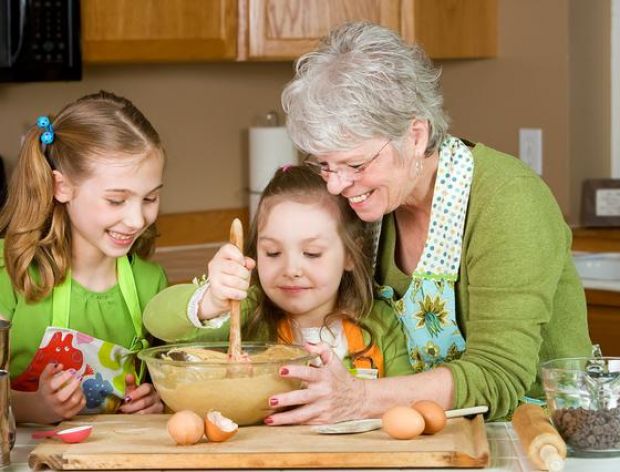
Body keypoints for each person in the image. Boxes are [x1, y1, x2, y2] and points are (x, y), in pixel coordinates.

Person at [263, 21, 593, 424]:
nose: (336, 185)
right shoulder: (368, 204)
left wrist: (360, 397)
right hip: (428, 430)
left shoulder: (508, 201)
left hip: (536, 432)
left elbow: (500, 375)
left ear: (416, 136)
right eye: (324, 164)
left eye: (355, 164)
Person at [143, 165, 413, 382]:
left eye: (312, 254)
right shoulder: (246, 310)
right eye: (273, 253)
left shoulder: (380, 324)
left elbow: (405, 399)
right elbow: (156, 321)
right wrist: (211, 301)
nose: (291, 270)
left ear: (351, 255)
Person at [0, 91, 167, 423]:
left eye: (150, 198)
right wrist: (35, 406)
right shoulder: (11, 273)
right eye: (117, 200)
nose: (136, 219)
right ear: (61, 187)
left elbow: (168, 381)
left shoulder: (150, 283)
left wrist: (155, 401)